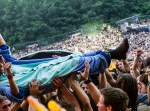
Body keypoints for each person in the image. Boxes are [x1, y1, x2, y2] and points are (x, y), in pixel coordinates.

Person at [0, 34, 129, 98]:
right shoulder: (1, 83)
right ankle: (110, 56)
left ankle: (115, 54)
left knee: (74, 56)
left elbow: (2, 45)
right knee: (73, 63)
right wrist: (10, 77)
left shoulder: (7, 61)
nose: (1, 64)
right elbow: (14, 95)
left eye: (0, 61)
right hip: (39, 82)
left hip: (45, 69)